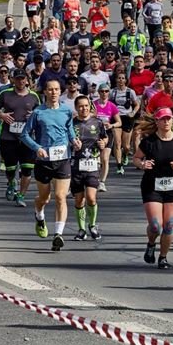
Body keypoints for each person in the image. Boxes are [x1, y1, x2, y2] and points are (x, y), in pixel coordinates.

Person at [20, 79, 80, 252]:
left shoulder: (66, 111)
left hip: (62, 160)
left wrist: (74, 142)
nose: (54, 92)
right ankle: (39, 216)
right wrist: (37, 148)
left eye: (56, 89)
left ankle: (58, 235)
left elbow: (69, 131)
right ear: (45, 92)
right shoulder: (38, 113)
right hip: (43, 161)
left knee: (61, 197)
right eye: (50, 89)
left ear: (60, 91)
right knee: (44, 198)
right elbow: (25, 135)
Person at [134, 107, 173, 268]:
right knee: (155, 225)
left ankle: (163, 257)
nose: (166, 122)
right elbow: (136, 158)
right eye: (163, 119)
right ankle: (151, 243)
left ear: (172, 121)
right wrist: (142, 164)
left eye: (169, 119)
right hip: (152, 186)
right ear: (157, 121)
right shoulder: (149, 141)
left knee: (169, 225)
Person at [0, 69, 40, 207]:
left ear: (27, 80)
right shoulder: (5, 93)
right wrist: (3, 116)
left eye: (23, 78)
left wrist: (34, 116)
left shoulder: (34, 96)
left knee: (27, 169)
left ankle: (21, 195)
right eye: (18, 79)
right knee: (10, 168)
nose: (20, 81)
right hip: (8, 137)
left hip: (27, 138)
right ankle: (12, 183)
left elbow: (41, 113)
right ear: (13, 80)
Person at [71, 95, 108, 240]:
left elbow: (105, 137)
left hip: (92, 165)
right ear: (76, 108)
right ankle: (81, 230)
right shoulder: (71, 123)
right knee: (79, 200)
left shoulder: (97, 123)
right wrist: (73, 144)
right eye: (80, 106)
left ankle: (92, 225)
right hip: (76, 166)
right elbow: (66, 139)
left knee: (91, 198)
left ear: (90, 107)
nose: (84, 108)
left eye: (86, 106)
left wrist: (103, 143)